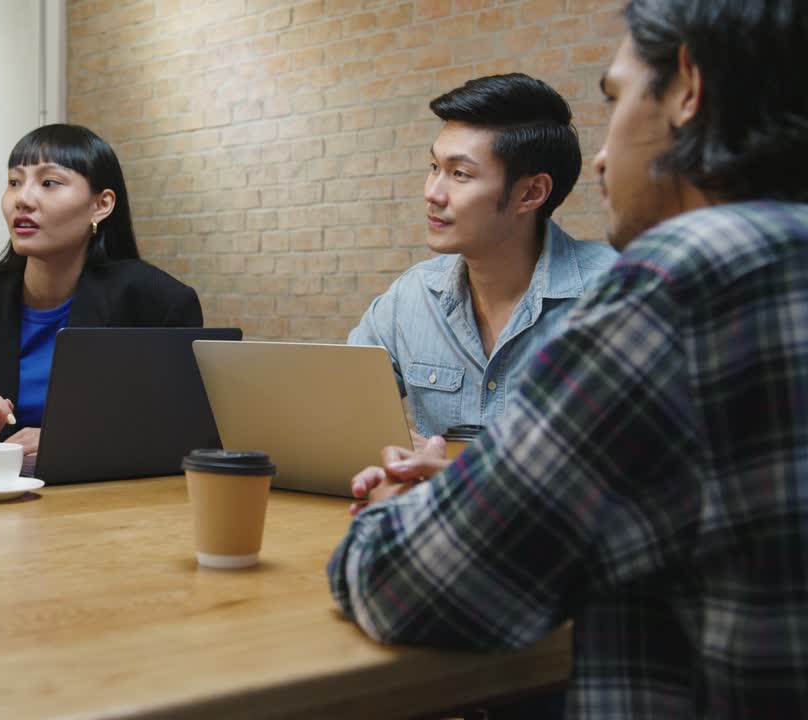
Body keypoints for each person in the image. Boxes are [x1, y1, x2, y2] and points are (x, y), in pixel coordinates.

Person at [330, 0, 808, 716]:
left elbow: (413, 584)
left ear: (687, 87)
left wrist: (403, 504)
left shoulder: (678, 276)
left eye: (616, 97)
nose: (606, 155)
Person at [0, 124, 202, 460]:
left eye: (49, 183)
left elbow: (183, 437)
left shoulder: (158, 304)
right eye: (15, 182)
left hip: (107, 507)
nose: (23, 199)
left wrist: (74, 446)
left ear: (101, 205)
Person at [348, 74, 617, 442]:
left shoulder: (616, 294)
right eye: (433, 168)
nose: (433, 193)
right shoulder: (411, 297)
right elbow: (338, 409)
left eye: (459, 174)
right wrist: (395, 445)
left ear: (531, 193)